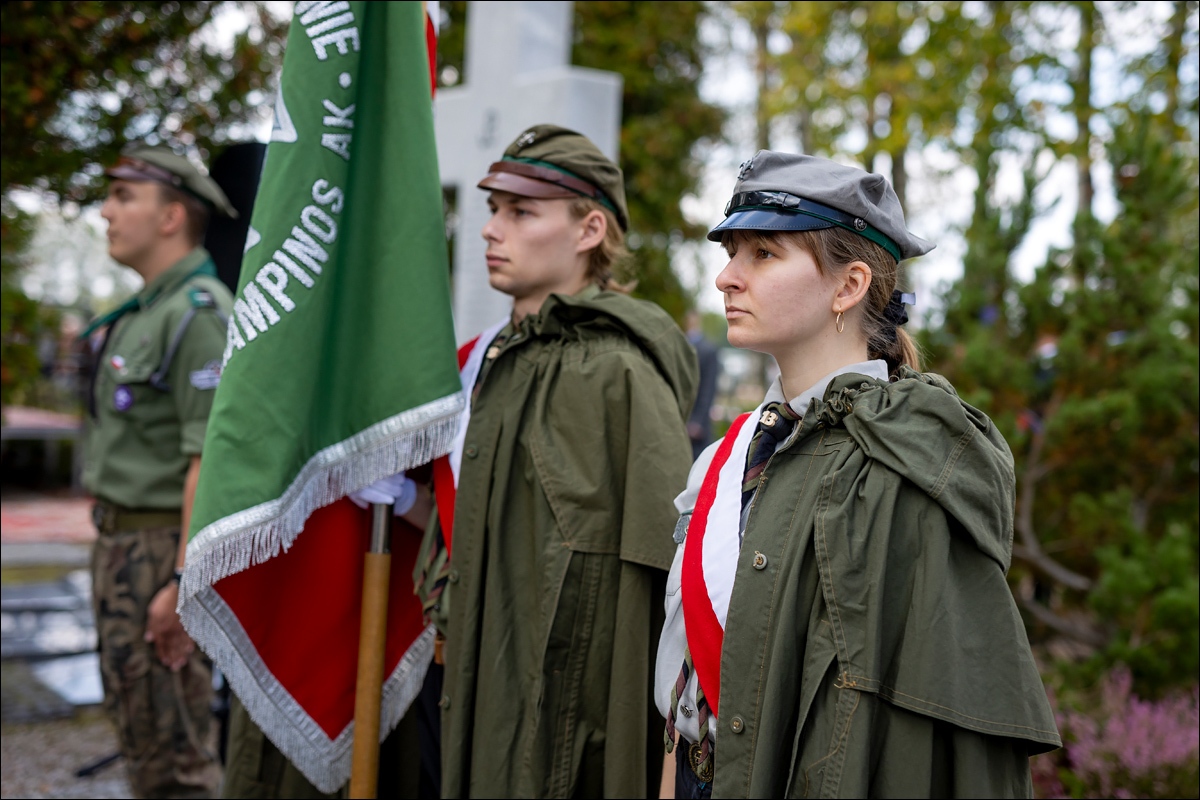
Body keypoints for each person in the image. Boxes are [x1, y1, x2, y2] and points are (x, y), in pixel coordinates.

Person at [655, 151, 1061, 799]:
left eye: (763, 253)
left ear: (848, 286)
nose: (726, 278)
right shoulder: (723, 460)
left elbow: (919, 723)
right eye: (731, 254)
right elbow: (687, 689)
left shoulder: (905, 468)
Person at [414, 124, 698, 798]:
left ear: (589, 229)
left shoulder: (619, 372)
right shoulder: (495, 359)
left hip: (558, 720)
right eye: (494, 209)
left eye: (521, 212)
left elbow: (656, 583)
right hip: (467, 679)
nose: (492, 230)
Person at [83, 144, 238, 798]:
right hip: (124, 547)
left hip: (159, 555)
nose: (107, 211)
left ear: (172, 216)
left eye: (124, 197)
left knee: (176, 762)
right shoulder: (149, 311)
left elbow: (210, 459)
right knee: (142, 736)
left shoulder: (198, 314)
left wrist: (181, 583)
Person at [684, 310, 721, 460]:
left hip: (697, 422)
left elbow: (708, 388)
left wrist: (697, 421)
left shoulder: (708, 350)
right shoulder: (682, 344)